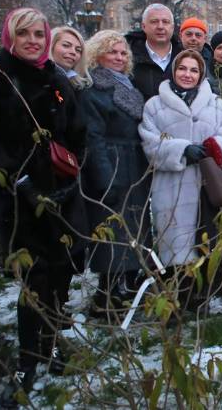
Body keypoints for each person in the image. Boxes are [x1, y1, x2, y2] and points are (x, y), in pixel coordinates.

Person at [0, 8, 87, 405]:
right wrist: (18, 181)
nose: (33, 40)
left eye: (38, 33)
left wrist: (72, 177)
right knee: (32, 276)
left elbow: (76, 133)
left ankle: (50, 347)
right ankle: (28, 358)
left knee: (58, 272)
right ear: (10, 37)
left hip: (58, 193)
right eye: (24, 34)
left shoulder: (55, 79)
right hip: (15, 195)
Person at [139, 49, 222, 304]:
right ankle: (179, 294)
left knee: (206, 239)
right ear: (174, 72)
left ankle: (204, 294)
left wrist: (214, 147)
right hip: (171, 188)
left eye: (193, 70)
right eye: (182, 69)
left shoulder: (215, 103)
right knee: (175, 242)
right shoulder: (154, 105)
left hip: (207, 186)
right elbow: (149, 145)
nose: (187, 74)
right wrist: (182, 149)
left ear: (201, 74)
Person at [79, 30, 151, 317]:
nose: (119, 57)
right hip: (113, 165)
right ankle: (108, 293)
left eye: (123, 53)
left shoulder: (129, 86)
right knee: (113, 233)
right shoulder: (93, 89)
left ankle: (129, 286)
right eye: (113, 52)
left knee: (135, 229)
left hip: (136, 166)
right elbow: (93, 138)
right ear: (97, 55)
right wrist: (106, 177)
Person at [125, 4, 183, 101]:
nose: (160, 26)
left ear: (172, 27)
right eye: (154, 21)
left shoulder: (185, 57)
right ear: (143, 26)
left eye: (165, 22)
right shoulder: (127, 57)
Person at [50, 26, 90, 90]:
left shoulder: (80, 87)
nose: (73, 52)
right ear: (51, 46)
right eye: (66, 45)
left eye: (78, 50)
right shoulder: (38, 80)